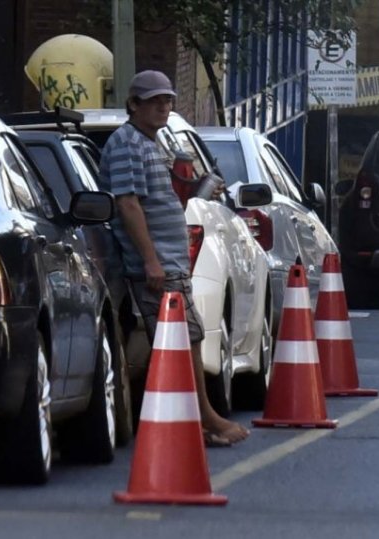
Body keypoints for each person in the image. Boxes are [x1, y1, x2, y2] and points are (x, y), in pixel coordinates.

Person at [98, 69, 249, 447]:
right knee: (180, 341)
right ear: (133, 104)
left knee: (187, 339)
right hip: (157, 267)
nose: (163, 107)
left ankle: (196, 420)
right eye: (154, 101)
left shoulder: (151, 141)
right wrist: (151, 261)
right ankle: (205, 418)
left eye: (167, 100)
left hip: (169, 263)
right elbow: (128, 204)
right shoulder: (127, 143)